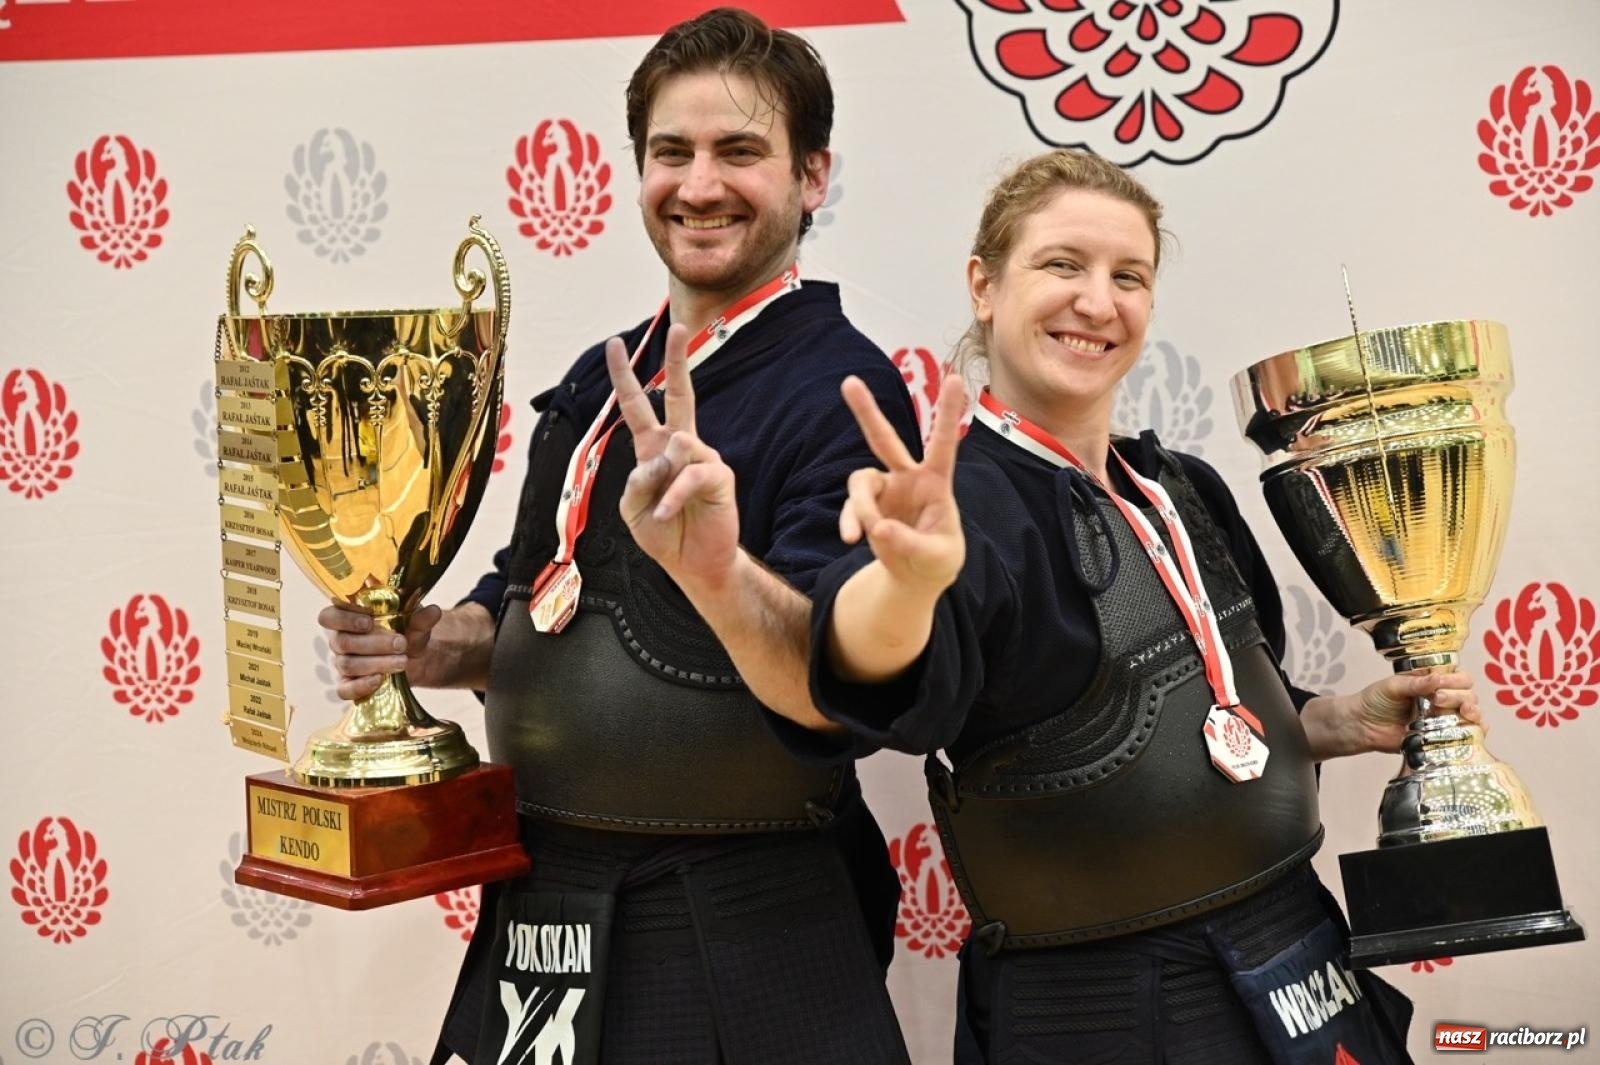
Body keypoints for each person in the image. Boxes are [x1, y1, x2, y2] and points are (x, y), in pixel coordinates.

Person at [320, 9, 919, 1063]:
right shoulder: (598, 391)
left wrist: (717, 569)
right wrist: (430, 644)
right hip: (548, 892)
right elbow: (525, 597)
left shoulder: (841, 391)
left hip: (741, 902)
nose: (698, 185)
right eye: (670, 153)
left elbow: (843, 684)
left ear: (812, 177)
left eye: (740, 152)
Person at [807, 149, 1483, 1064]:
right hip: (1096, 1002)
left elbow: (1236, 705)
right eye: (1061, 265)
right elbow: (881, 685)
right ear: (984, 285)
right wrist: (903, 584)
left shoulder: (1183, 485)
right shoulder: (956, 511)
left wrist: (1333, 719)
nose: (1098, 301)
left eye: (1129, 276)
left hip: (1300, 955)